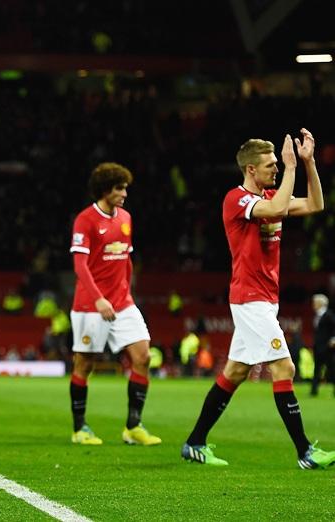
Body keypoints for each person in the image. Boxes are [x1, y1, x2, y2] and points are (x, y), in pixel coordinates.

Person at [181, 129, 335, 469]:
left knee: (235, 372)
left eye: (278, 164)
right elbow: (278, 205)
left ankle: (194, 443)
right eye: (271, 165)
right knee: (285, 366)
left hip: (265, 298)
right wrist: (293, 167)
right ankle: (305, 452)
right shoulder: (236, 200)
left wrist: (308, 163)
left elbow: (315, 203)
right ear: (251, 169)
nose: (277, 169)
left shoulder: (266, 196)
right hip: (249, 299)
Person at [68, 162, 161, 446]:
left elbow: (127, 259)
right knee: (85, 364)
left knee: (143, 356)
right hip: (90, 305)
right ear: (105, 189)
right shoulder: (85, 219)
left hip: (122, 303)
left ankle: (133, 426)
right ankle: (80, 428)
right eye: (120, 188)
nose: (124, 194)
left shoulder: (126, 218)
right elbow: (80, 264)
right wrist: (98, 298)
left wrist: (127, 293)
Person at [310, 293, 335, 396]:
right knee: (317, 369)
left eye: (315, 302)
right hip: (318, 347)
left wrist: (333, 339)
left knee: (332, 369)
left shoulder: (329, 315)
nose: (313, 304)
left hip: (327, 348)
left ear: (321, 303)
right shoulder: (317, 315)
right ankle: (314, 391)